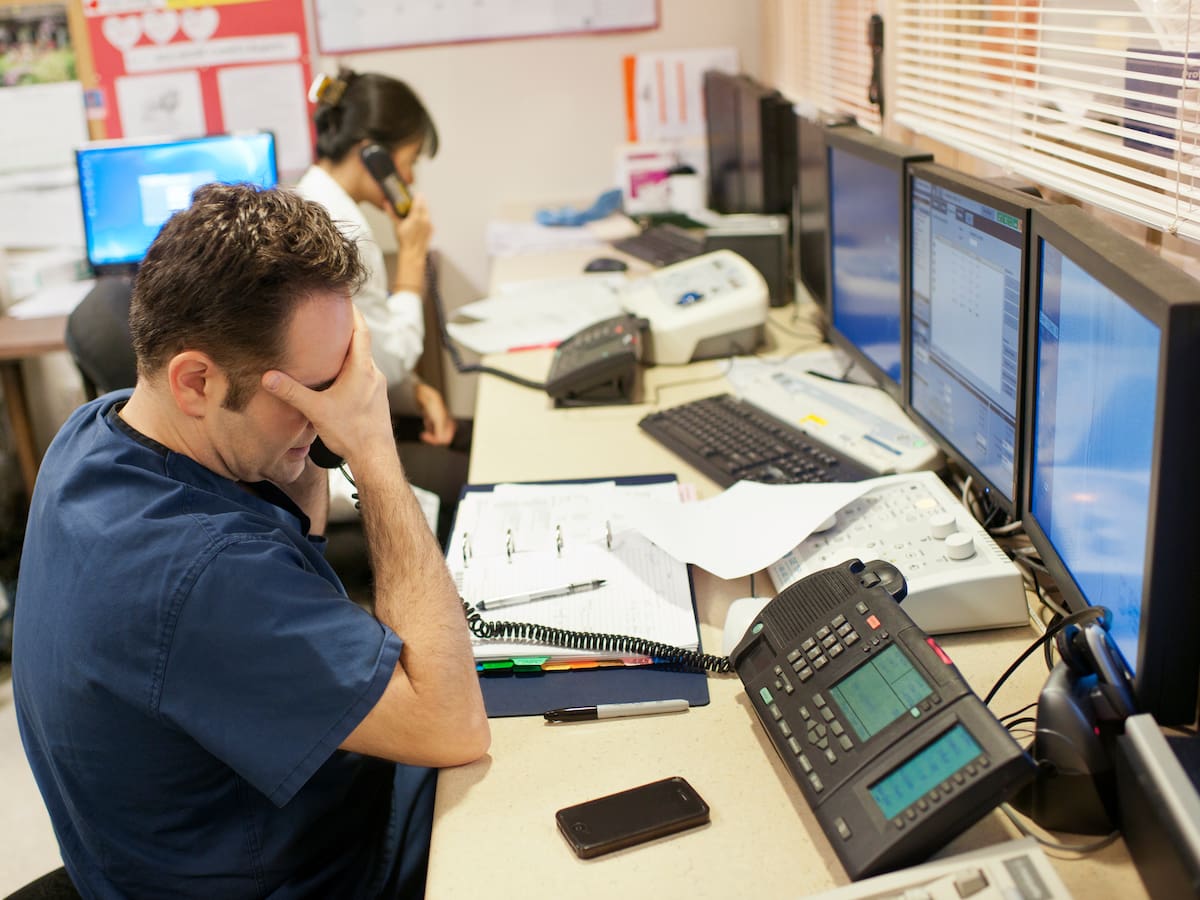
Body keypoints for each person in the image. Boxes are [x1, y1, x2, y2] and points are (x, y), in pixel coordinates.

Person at [13, 183, 490, 898]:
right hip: (315, 875)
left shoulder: (96, 431)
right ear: (196, 381)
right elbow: (453, 726)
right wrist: (371, 451)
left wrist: (304, 440)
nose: (331, 409)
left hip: (178, 850)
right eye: (309, 390)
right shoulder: (203, 575)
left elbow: (295, 552)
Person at [296, 69, 468, 543]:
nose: (409, 179)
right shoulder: (341, 228)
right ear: (373, 154)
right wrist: (412, 259)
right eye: (408, 162)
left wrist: (412, 385)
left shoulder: (310, 201)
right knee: (472, 470)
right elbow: (386, 363)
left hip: (320, 435)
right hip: (316, 462)